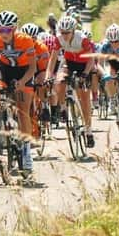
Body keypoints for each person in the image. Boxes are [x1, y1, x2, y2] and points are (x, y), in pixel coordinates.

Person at [0, 11, 36, 176]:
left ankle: (26, 150)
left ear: (14, 28)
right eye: (0, 29)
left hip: (24, 72)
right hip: (4, 70)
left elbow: (33, 67)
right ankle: (0, 126)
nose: (3, 33)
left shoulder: (25, 40)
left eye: (7, 30)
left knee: (23, 109)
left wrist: (23, 82)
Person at [45, 16, 96, 147]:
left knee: (85, 100)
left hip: (84, 65)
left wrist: (85, 74)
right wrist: (48, 75)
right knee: (59, 81)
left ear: (73, 30)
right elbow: (53, 59)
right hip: (69, 63)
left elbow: (91, 59)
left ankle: (88, 131)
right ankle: (62, 108)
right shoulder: (59, 39)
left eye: (67, 32)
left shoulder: (82, 39)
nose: (64, 35)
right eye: (62, 32)